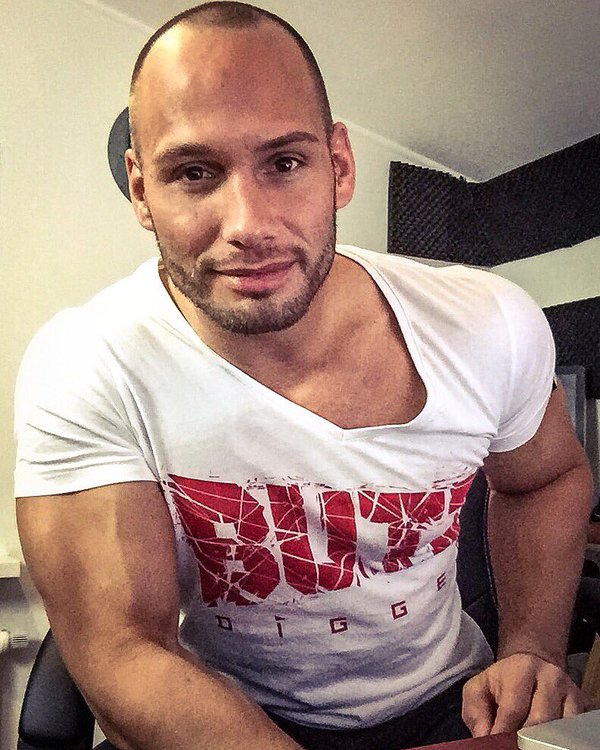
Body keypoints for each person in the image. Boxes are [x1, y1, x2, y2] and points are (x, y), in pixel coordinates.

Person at [14, 3, 593, 749]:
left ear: (339, 167)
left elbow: (545, 478)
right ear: (140, 189)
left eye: (285, 163)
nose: (247, 224)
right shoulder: (89, 364)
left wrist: (533, 646)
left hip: (457, 705)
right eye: (194, 173)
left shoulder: (487, 325)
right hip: (229, 717)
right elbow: (123, 648)